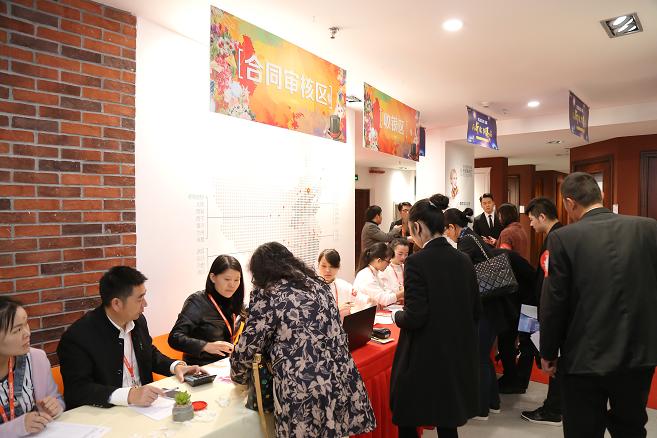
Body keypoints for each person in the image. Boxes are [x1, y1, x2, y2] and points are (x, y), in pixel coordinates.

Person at [540, 172, 657, 438]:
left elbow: (555, 302)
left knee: (583, 429)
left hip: (584, 356)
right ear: (601, 195)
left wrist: (548, 351)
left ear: (569, 203)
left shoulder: (563, 238)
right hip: (638, 353)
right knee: (631, 428)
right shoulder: (649, 228)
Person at [231, 242, 376, 438]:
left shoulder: (268, 294)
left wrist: (238, 375)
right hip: (339, 378)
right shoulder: (319, 286)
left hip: (303, 387)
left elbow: (248, 345)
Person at [390, 194, 480, 438]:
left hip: (424, 355)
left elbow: (415, 317)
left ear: (418, 227)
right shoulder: (463, 259)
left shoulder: (416, 262)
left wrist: (397, 316)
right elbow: (475, 309)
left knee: (408, 415)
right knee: (447, 419)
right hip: (456, 352)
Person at [57, 266, 201, 409]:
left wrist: (175, 366)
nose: (145, 304)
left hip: (145, 407)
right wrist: (129, 395)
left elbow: (148, 353)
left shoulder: (138, 321)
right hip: (106, 412)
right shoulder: (78, 337)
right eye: (140, 299)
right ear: (117, 304)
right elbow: (77, 390)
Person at [443, 206, 519, 419]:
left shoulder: (466, 241)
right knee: (483, 356)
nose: (446, 234)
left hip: (486, 307)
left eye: (446, 230)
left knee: (479, 357)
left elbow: (461, 274)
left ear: (452, 227)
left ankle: (481, 408)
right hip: (493, 304)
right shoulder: (472, 236)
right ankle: (493, 402)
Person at [519, 197, 563, 426]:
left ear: (542, 217)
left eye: (532, 220)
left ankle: (554, 409)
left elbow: (549, 283)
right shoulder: (558, 236)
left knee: (554, 360)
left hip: (549, 311)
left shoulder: (555, 239)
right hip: (548, 309)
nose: (531, 224)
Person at [0, 297, 64, 437]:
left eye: (26, 324)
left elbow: (57, 400)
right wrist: (18, 427)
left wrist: (54, 408)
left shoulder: (36, 358)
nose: (27, 333)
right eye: (17, 330)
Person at [168, 255, 245, 366]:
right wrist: (206, 346)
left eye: (237, 280)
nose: (232, 285)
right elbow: (174, 338)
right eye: (227, 279)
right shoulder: (197, 302)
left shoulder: (235, 301)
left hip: (226, 366)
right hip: (200, 368)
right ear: (213, 277)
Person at [316, 249, 371, 319]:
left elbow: (362, 300)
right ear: (318, 265)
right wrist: (338, 309)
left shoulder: (344, 285)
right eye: (324, 266)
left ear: (338, 267)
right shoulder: (312, 288)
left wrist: (370, 300)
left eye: (332, 266)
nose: (328, 270)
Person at [353, 242, 403, 307]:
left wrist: (397, 296)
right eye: (388, 261)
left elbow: (385, 292)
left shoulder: (375, 272)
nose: (388, 265)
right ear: (379, 260)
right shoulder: (366, 276)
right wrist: (403, 292)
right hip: (364, 311)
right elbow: (384, 300)